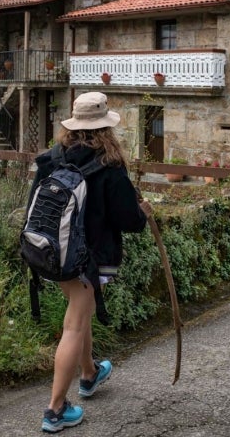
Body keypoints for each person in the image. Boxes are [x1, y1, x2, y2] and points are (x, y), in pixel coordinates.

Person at [28, 92, 152, 433]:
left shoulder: (52, 158)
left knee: (80, 316)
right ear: (105, 127)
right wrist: (143, 213)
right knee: (74, 325)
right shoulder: (109, 167)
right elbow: (129, 220)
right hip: (87, 260)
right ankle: (55, 410)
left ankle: (89, 373)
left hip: (50, 253)